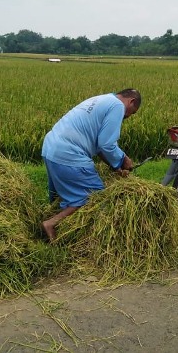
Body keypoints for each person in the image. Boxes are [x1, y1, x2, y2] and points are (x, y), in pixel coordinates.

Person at [40, 88, 142, 241]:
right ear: (131, 101)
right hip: (68, 153)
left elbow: (99, 146)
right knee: (96, 197)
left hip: (51, 149)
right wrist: (124, 159)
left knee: (62, 196)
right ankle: (51, 224)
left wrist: (116, 167)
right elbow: (106, 144)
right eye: (132, 113)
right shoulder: (117, 106)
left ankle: (56, 229)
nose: (127, 117)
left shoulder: (104, 99)